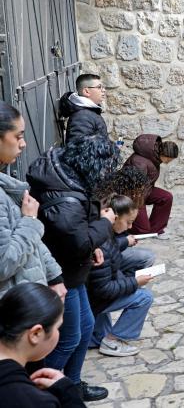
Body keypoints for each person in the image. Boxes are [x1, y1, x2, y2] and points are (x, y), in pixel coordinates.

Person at [27, 135, 119, 402]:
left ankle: (73, 384)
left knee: (86, 325)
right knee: (68, 337)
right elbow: (77, 241)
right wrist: (105, 224)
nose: (107, 174)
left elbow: (78, 235)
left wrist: (93, 245)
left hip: (71, 270)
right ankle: (45, 391)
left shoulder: (68, 177)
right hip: (60, 274)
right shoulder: (64, 199)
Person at [0, 101, 66, 300]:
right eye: (18, 136)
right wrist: (30, 220)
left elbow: (28, 242)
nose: (23, 143)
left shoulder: (5, 185)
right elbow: (3, 264)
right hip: (16, 308)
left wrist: (54, 276)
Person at [87, 195, 154, 357]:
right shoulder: (102, 245)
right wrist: (134, 283)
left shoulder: (103, 233)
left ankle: (97, 336)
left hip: (95, 294)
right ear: (114, 217)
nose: (129, 227)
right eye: (128, 222)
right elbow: (104, 290)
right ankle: (113, 341)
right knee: (145, 297)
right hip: (96, 298)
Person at [0, 283, 85, 407]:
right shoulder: (33, 401)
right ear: (35, 334)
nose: (58, 333)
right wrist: (69, 394)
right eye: (58, 327)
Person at [93, 167, 155, 276]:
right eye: (139, 192)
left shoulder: (114, 200)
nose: (140, 196)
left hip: (111, 249)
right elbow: (106, 244)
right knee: (147, 257)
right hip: (106, 255)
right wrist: (125, 241)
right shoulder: (109, 206)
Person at [123, 134, 179, 236]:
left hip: (144, 191)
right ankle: (125, 228)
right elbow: (134, 189)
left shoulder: (154, 158)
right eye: (170, 159)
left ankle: (155, 230)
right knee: (142, 231)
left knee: (166, 197)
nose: (169, 161)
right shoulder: (139, 161)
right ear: (164, 154)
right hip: (132, 195)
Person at [59, 74, 108, 145]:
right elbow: (80, 151)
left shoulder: (88, 111)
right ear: (86, 92)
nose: (103, 90)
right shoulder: (81, 117)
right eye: (99, 87)